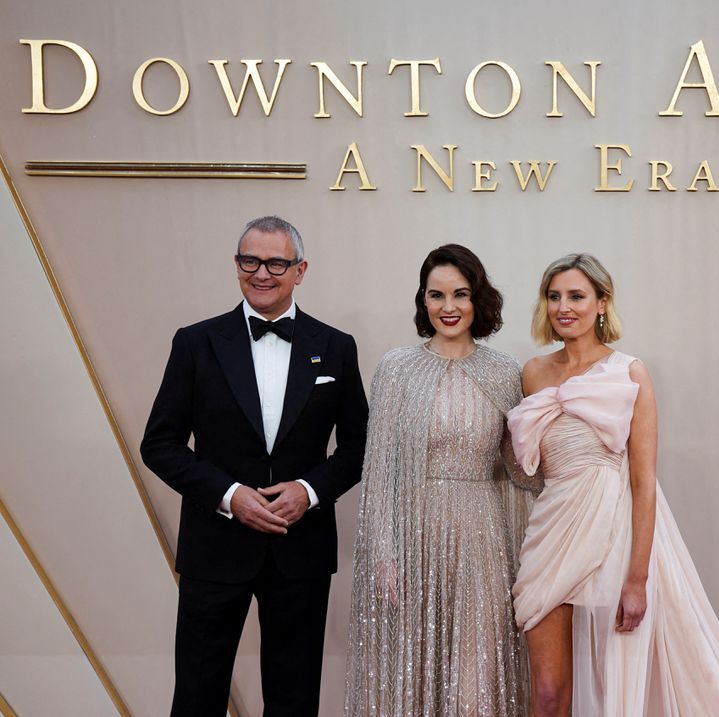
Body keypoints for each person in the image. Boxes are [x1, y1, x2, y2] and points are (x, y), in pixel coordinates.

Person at [508, 254, 719, 716]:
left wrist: (638, 580)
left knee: (616, 686)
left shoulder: (630, 371)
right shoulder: (533, 373)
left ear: (601, 302)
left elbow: (644, 481)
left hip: (614, 533)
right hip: (551, 532)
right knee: (548, 694)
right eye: (554, 297)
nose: (563, 307)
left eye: (576, 296)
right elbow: (530, 468)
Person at [140, 216, 368, 716]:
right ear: (236, 265)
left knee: (294, 698)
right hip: (214, 548)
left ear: (300, 270)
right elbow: (159, 444)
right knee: (198, 694)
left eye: (276, 263)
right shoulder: (195, 343)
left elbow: (359, 446)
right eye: (250, 261)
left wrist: (308, 491)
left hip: (300, 549)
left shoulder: (335, 346)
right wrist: (229, 496)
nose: (261, 273)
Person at [344, 244, 540, 717]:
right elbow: (380, 470)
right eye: (436, 295)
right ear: (423, 301)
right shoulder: (395, 369)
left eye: (460, 294)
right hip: (413, 539)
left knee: (475, 681)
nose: (448, 308)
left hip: (482, 541)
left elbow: (517, 470)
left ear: (479, 300)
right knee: (415, 676)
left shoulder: (506, 372)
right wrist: (385, 553)